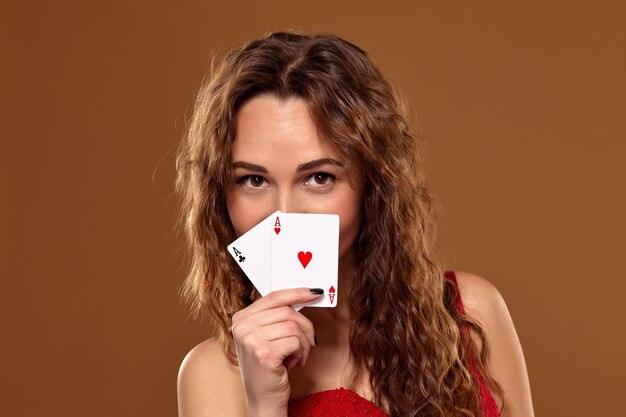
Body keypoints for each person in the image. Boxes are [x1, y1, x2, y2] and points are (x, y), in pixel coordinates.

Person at [175, 31, 534, 417]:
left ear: (371, 182)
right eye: (254, 180)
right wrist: (264, 404)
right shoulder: (211, 375)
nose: (285, 215)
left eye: (319, 177)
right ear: (220, 196)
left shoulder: (470, 315)